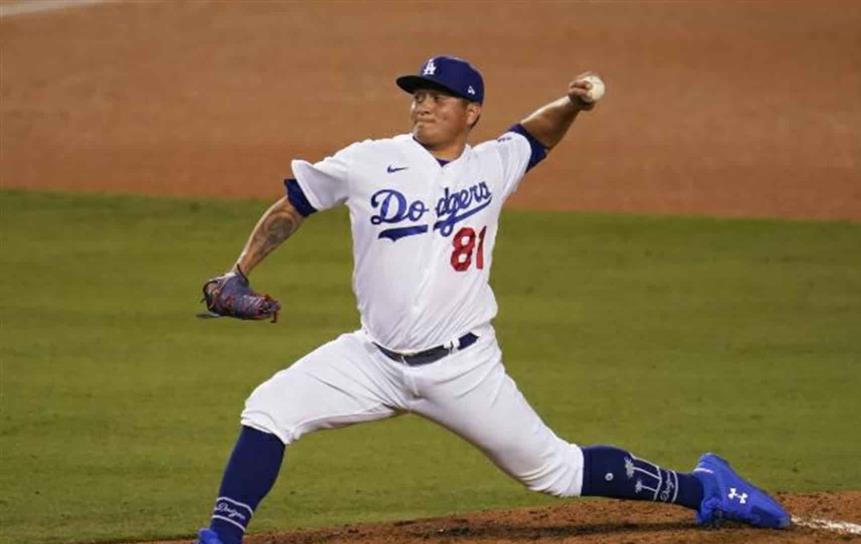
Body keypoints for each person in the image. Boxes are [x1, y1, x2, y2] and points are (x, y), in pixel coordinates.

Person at [194, 56, 790, 544]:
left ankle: (706, 487)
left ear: (471, 111)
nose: (423, 104)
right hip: (372, 360)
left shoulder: (493, 165)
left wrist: (575, 104)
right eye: (418, 95)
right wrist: (238, 270)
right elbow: (293, 203)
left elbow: (537, 134)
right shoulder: (370, 160)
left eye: (439, 96)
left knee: (555, 471)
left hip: (463, 368)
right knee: (270, 407)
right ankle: (222, 535)